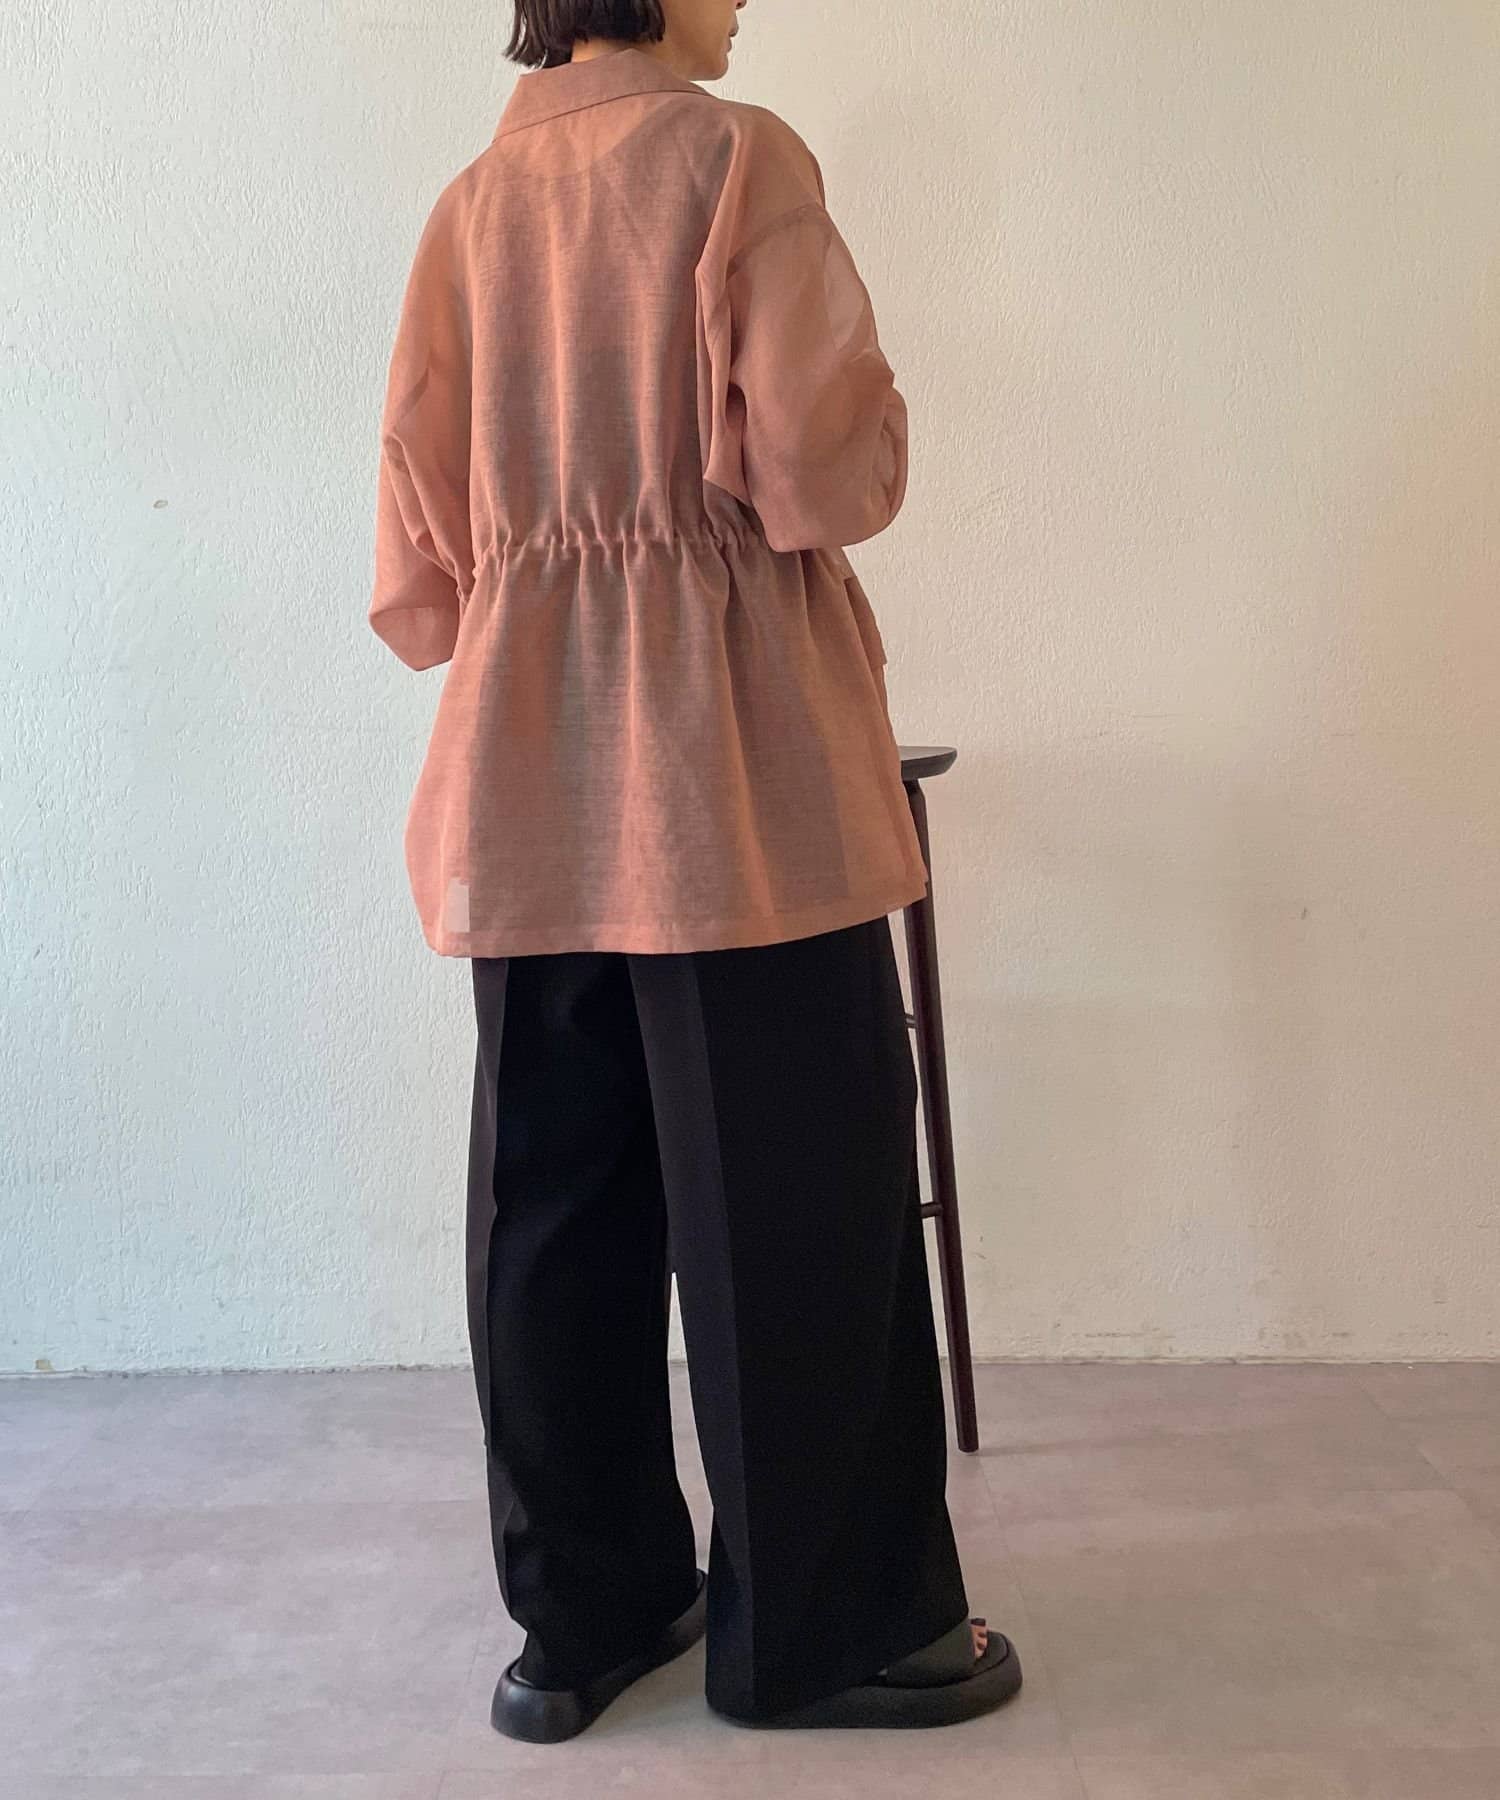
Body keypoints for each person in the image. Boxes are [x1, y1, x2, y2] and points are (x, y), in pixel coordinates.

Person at [368, 0, 1022, 1740]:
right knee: (795, 1192)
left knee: (550, 1197)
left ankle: (581, 1620)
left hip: (525, 764)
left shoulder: (467, 207)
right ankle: (831, 1629)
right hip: (733, 765)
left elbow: (421, 537)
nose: (744, 3)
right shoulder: (738, 159)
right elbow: (819, 471)